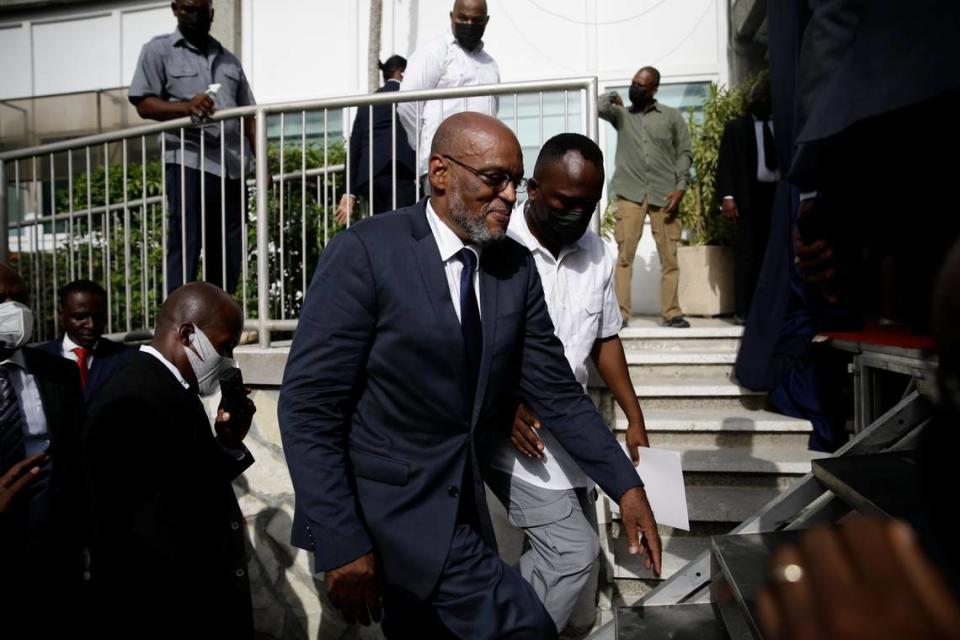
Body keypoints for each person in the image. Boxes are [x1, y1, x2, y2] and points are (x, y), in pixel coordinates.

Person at [279, 112, 661, 639]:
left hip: (460, 515)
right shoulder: (366, 252)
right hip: (385, 519)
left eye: (516, 181)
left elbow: (557, 393)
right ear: (440, 172)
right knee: (524, 628)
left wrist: (627, 486)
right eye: (493, 178)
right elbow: (309, 408)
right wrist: (341, 538)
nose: (509, 195)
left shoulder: (514, 268)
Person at [485, 133, 651, 632]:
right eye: (565, 202)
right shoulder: (496, 244)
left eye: (589, 204)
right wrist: (501, 401)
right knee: (571, 553)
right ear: (532, 189)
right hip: (515, 438)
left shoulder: (598, 254)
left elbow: (604, 340)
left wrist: (635, 416)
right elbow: (465, 337)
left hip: (572, 431)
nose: (577, 214)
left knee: (567, 566)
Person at [83, 281, 256, 637]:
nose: (229, 360)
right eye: (225, 346)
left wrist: (225, 443)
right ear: (189, 335)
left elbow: (183, 482)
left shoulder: (171, 386)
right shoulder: (134, 397)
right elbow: (141, 533)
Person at [129, 0, 257, 295]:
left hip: (232, 169)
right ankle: (178, 320)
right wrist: (187, 107)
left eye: (200, 10)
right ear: (175, 9)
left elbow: (249, 114)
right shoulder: (158, 50)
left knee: (227, 248)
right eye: (187, 8)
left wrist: (262, 164)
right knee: (185, 243)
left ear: (211, 14)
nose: (193, 15)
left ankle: (219, 317)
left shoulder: (229, 61)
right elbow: (143, 103)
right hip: (189, 161)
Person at [0, 263, 86, 635]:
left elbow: (79, 457)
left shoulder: (59, 372)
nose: (13, 309)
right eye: (1, 299)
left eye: (20, 298)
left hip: (53, 557)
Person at [600, 66, 692, 328]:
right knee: (625, 255)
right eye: (633, 83)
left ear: (653, 89)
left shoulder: (671, 117)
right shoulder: (621, 115)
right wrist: (614, 97)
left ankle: (672, 312)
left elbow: (684, 152)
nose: (635, 88)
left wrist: (680, 187)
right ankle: (621, 314)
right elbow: (597, 106)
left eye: (641, 85)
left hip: (665, 193)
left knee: (669, 256)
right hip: (630, 193)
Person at [398, 0, 500, 194]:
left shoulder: (490, 64)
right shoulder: (434, 52)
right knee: (441, 224)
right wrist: (424, 143)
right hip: (444, 166)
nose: (469, 24)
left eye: (476, 20)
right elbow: (407, 105)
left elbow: (493, 109)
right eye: (463, 18)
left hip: (483, 167)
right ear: (452, 16)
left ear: (486, 21)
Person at [717, 77, 780, 323]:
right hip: (748, 200)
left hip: (777, 197)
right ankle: (743, 310)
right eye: (756, 98)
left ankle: (774, 308)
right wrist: (727, 197)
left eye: (765, 98)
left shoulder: (783, 125)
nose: (760, 101)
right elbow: (726, 165)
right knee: (747, 255)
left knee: (774, 254)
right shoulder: (737, 127)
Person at [336, 55, 417, 224]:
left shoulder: (368, 102)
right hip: (398, 172)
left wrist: (349, 192)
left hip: (369, 178)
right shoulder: (410, 95)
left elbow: (355, 146)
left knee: (380, 228)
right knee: (403, 228)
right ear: (402, 73)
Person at [36, 280, 135, 407]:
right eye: (80, 317)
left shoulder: (126, 359)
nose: (91, 325)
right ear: (61, 314)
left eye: (98, 317)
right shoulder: (39, 359)